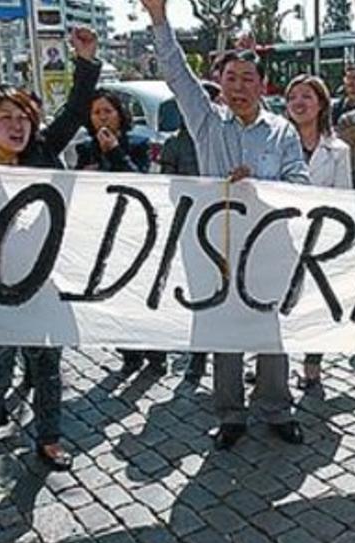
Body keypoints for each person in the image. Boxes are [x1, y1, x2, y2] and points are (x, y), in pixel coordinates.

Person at [0, 28, 100, 505]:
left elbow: (75, 111)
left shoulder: (43, 156)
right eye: (5, 118)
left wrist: (86, 61)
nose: (17, 126)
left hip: (43, 288)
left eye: (23, 118)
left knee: (48, 370)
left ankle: (48, 439)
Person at [142, 0, 307, 451]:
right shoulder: (206, 122)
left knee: (271, 333)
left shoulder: (282, 131)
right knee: (224, 334)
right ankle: (230, 414)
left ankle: (276, 408)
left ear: (262, 85)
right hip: (217, 250)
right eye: (229, 78)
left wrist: (262, 186)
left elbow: (301, 182)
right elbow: (176, 73)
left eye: (246, 78)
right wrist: (159, 19)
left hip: (269, 249)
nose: (237, 86)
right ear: (220, 84)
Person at [77, 88, 167, 375]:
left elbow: (139, 181)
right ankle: (128, 350)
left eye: (107, 111)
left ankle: (156, 350)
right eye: (96, 113)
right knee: (115, 292)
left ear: (120, 114)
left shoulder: (138, 143)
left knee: (143, 290)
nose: (102, 117)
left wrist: (114, 152)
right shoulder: (84, 148)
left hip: (136, 227)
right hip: (104, 228)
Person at [286, 73, 353, 390]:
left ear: (322, 103)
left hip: (322, 240)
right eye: (293, 97)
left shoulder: (338, 150)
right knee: (276, 303)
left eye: (306, 96)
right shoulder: (276, 143)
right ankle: (270, 364)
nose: (299, 103)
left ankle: (312, 366)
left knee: (316, 306)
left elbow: (344, 199)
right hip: (282, 237)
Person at [158, 80, 222, 383]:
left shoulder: (224, 138)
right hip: (192, 228)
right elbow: (167, 187)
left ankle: (230, 352)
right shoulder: (174, 144)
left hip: (227, 227)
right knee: (200, 293)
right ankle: (198, 355)